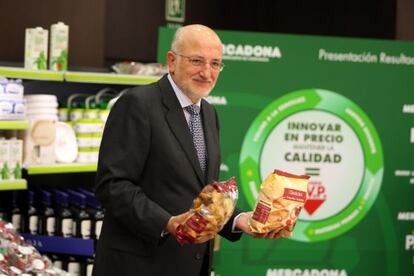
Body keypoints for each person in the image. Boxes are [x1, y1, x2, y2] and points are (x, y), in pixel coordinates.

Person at [93, 24, 284, 276]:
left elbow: (203, 196)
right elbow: (112, 185)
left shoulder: (208, 113)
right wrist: (168, 223)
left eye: (215, 64)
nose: (207, 72)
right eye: (197, 61)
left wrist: (242, 220)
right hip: (140, 266)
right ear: (172, 61)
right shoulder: (138, 105)